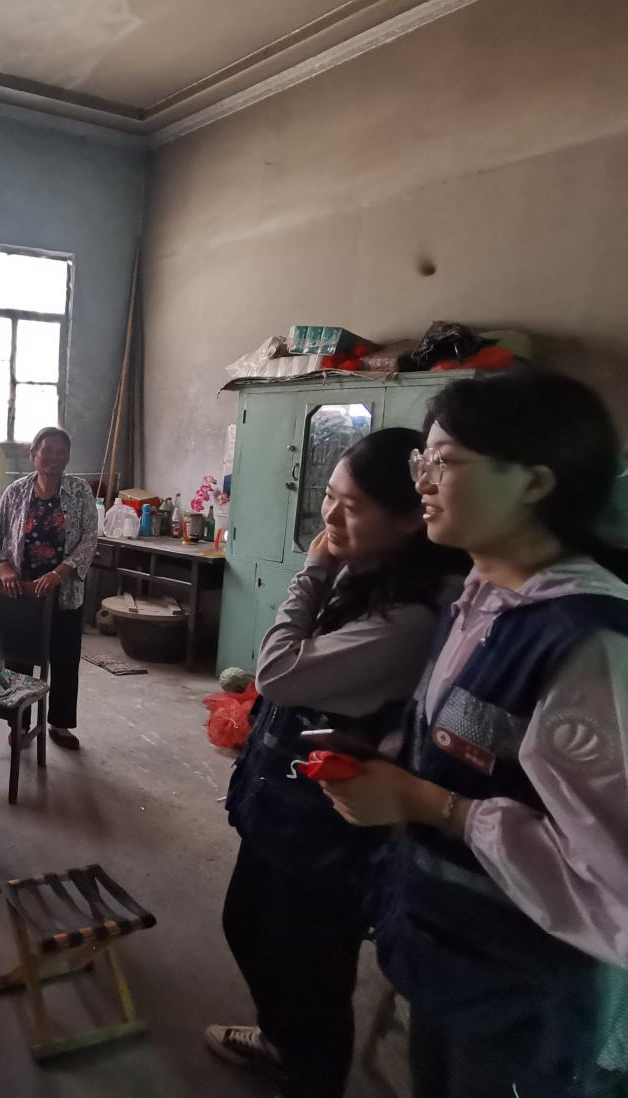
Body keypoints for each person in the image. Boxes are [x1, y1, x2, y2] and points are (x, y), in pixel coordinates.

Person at [322, 371, 628, 1098]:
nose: (423, 481)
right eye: (420, 461)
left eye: (446, 461)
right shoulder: (483, 599)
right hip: (451, 955)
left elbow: (613, 884)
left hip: (531, 991)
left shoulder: (590, 643)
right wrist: (400, 761)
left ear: (534, 482)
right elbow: (485, 748)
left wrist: (431, 804)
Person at [208, 428, 466, 1098]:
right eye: (328, 497)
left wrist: (313, 570)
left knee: (312, 973)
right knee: (247, 925)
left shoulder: (412, 616)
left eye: (350, 507)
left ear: (408, 519)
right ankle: (281, 1042)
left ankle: (310, 1076)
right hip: (285, 801)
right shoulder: (371, 574)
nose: (329, 518)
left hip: (328, 829)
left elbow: (279, 671)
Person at [0, 427, 99, 751]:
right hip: (22, 593)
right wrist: (3, 566)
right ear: (33, 455)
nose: (55, 457)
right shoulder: (15, 492)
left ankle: (60, 723)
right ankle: (19, 722)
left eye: (61, 452)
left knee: (65, 658)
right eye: (48, 451)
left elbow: (89, 538)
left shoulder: (80, 491)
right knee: (18, 659)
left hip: (63, 591)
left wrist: (60, 572)